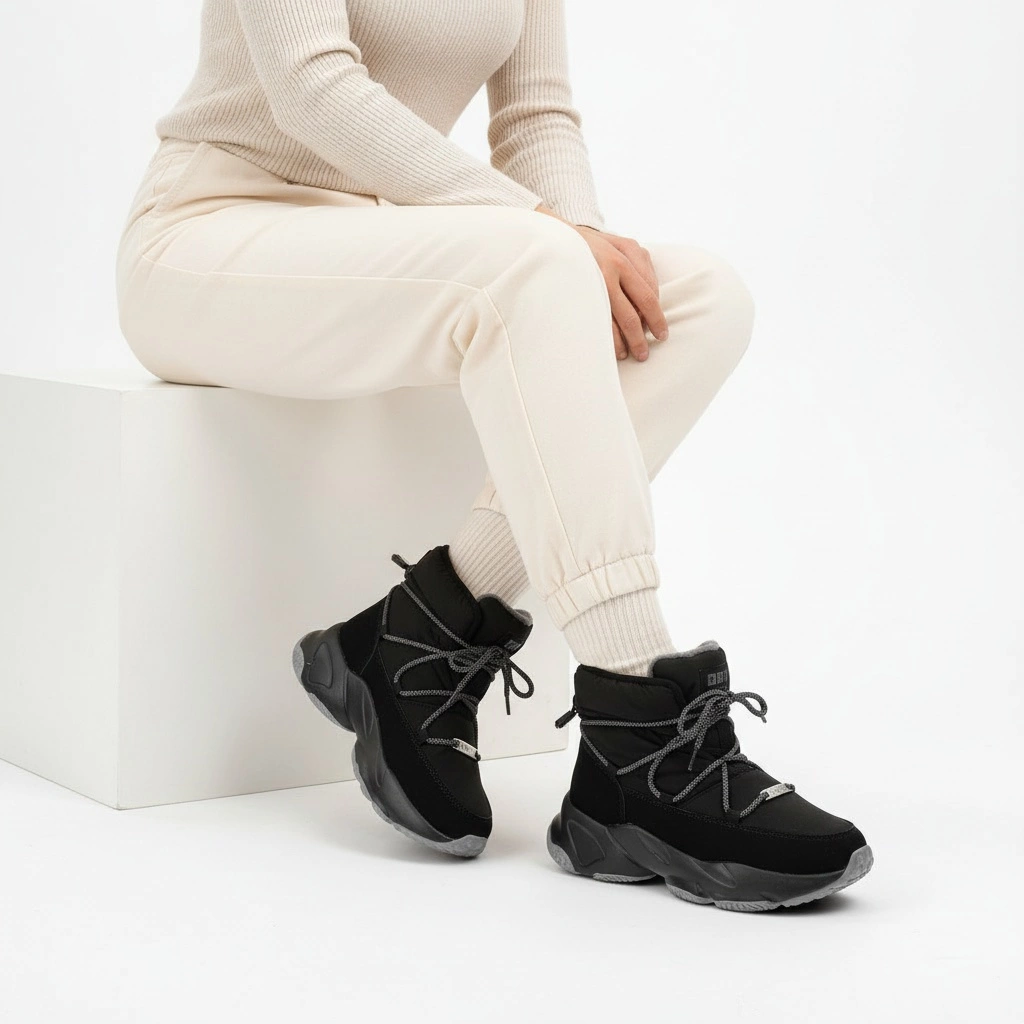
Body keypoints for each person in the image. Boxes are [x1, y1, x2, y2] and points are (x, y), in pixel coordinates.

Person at [115, 0, 871, 910]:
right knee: (537, 258)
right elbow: (311, 88)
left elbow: (537, 118)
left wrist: (584, 249)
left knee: (703, 300)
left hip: (387, 239)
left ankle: (422, 634)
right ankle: (641, 727)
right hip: (211, 237)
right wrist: (552, 237)